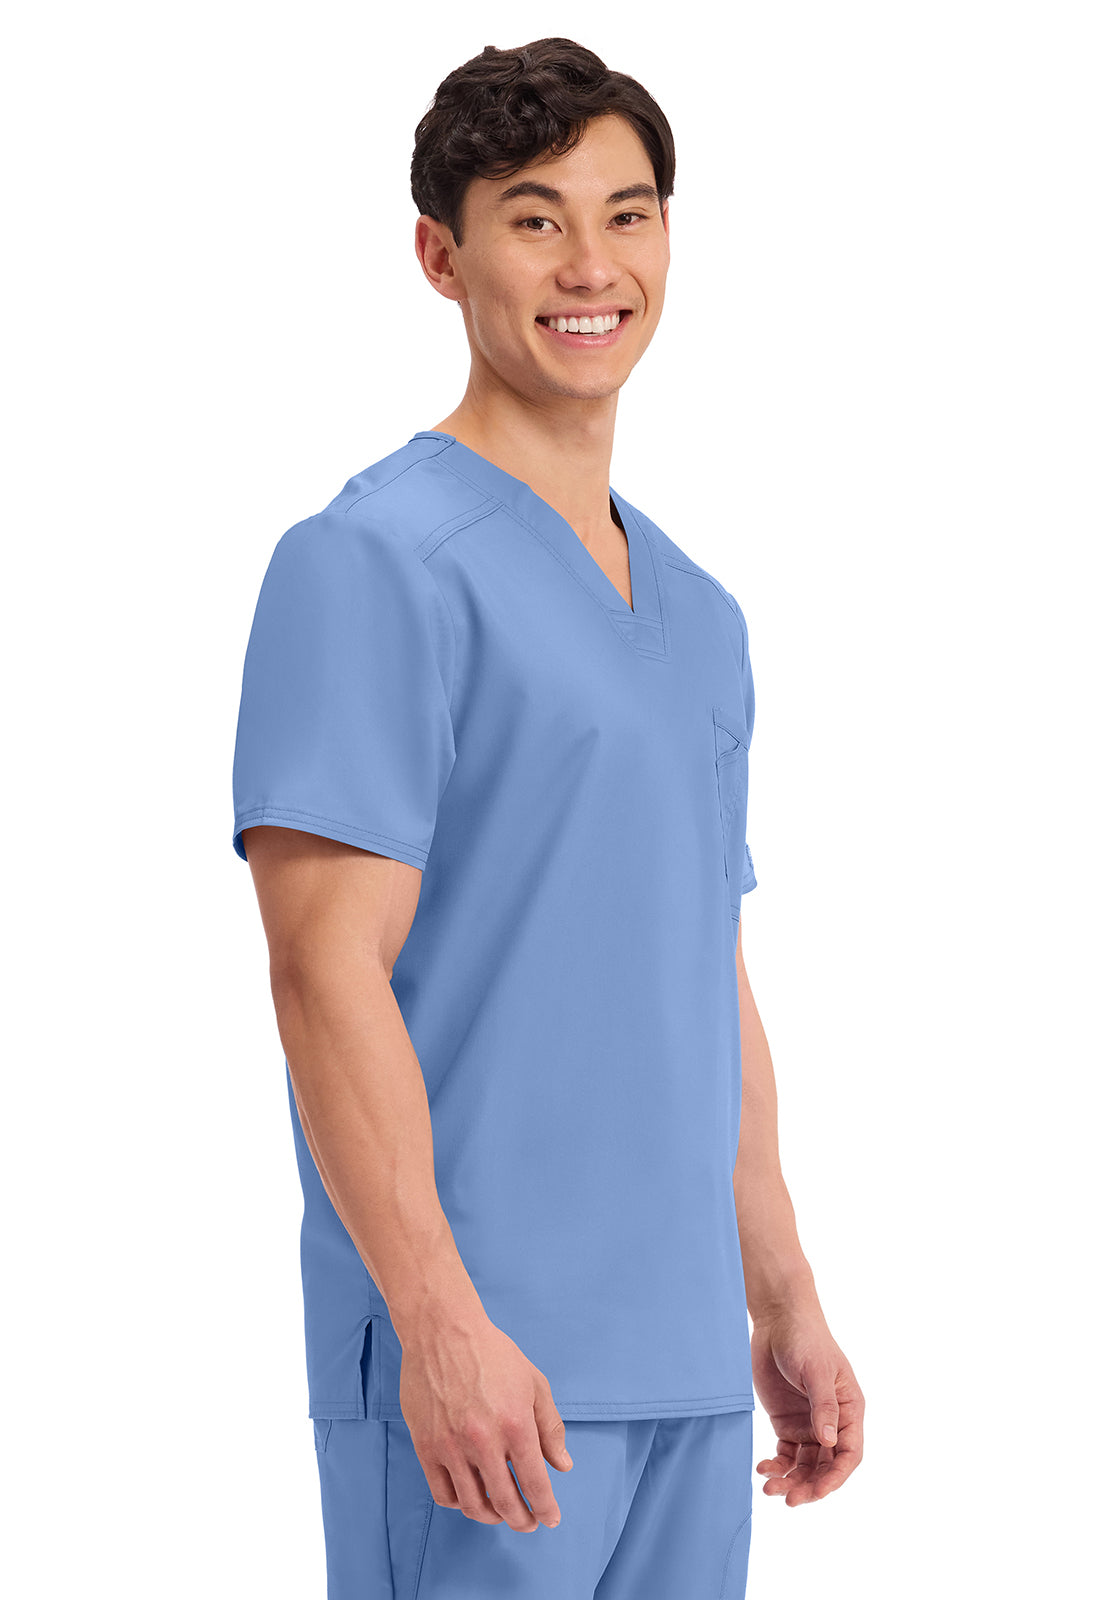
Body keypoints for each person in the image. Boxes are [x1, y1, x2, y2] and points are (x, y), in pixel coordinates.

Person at [230, 36, 864, 1600]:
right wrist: (438, 1323)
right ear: (441, 257)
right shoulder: (371, 564)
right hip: (484, 1379)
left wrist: (780, 1290)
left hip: (686, 1371)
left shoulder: (702, 615)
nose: (591, 266)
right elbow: (323, 972)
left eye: (627, 215)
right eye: (535, 219)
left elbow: (701, 966)